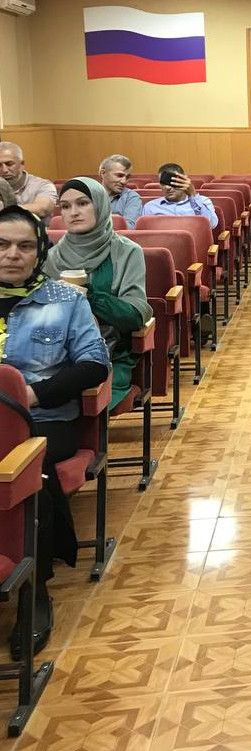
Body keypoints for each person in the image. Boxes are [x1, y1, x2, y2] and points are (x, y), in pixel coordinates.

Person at [0, 205, 110, 658]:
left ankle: (35, 591)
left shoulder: (66, 300)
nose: (13, 254)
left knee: (34, 473)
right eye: (3, 245)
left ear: (40, 252)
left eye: (25, 246)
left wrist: (32, 394)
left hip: (43, 422)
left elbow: (94, 363)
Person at [46, 178, 152, 409]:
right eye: (65, 206)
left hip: (110, 352)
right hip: (53, 352)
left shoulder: (126, 251)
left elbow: (134, 315)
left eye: (83, 203)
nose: (73, 212)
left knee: (69, 397)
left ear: (101, 205)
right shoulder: (51, 256)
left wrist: (87, 296)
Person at [140, 162, 218, 229]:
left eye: (172, 182)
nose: (167, 187)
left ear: (183, 180)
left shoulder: (203, 202)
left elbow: (211, 225)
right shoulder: (150, 207)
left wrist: (193, 195)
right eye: (163, 183)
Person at [0, 142, 57, 224]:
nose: (4, 170)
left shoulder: (43, 185)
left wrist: (6, 210)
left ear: (22, 164)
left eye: (9, 164)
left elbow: (43, 209)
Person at [99, 154, 142, 228]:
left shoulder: (132, 197)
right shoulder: (88, 194)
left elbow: (128, 228)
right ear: (102, 173)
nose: (124, 181)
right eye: (119, 175)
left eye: (127, 177)